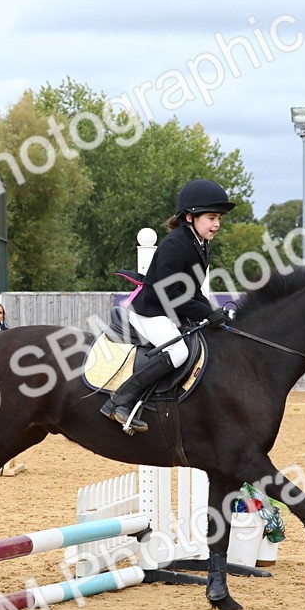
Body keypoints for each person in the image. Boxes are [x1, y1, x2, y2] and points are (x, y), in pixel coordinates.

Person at [100, 179, 234, 432]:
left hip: (170, 311)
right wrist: (205, 312)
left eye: (219, 218)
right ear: (190, 217)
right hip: (151, 311)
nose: (217, 224)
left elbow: (191, 290)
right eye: (212, 217)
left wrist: (212, 313)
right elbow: (169, 293)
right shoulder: (176, 243)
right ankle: (120, 400)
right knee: (178, 353)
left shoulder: (200, 244)